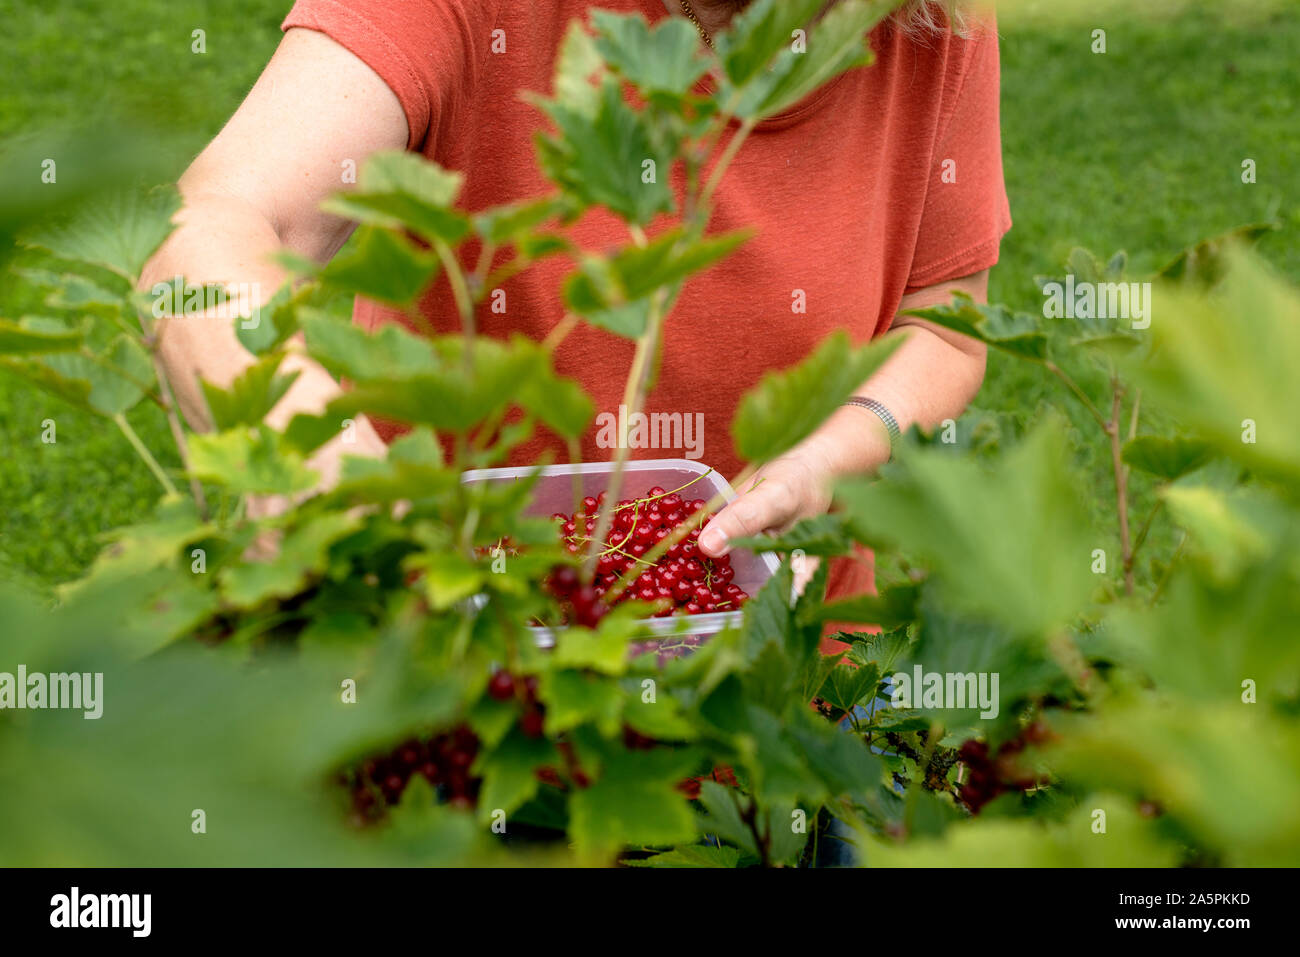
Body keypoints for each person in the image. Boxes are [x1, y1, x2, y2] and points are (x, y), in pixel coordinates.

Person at [142, 0, 1011, 607]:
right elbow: (210, 231)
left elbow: (944, 321)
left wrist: (829, 458)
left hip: (774, 678)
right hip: (449, 649)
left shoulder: (932, 21)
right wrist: (324, 466)